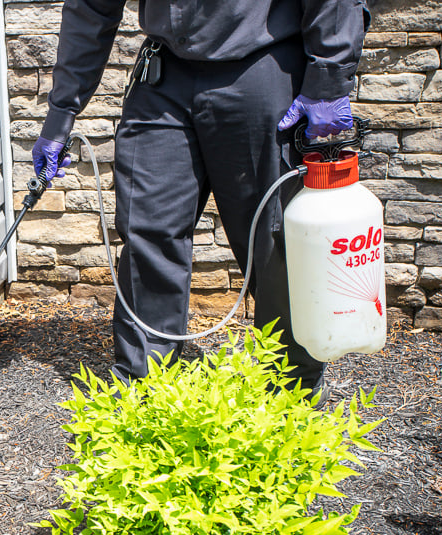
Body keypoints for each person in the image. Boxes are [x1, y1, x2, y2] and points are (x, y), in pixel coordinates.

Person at [32, 0, 371, 397]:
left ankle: (291, 391)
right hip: (164, 76)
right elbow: (91, 7)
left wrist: (328, 78)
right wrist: (60, 116)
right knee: (147, 231)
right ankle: (145, 385)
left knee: (276, 241)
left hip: (264, 68)